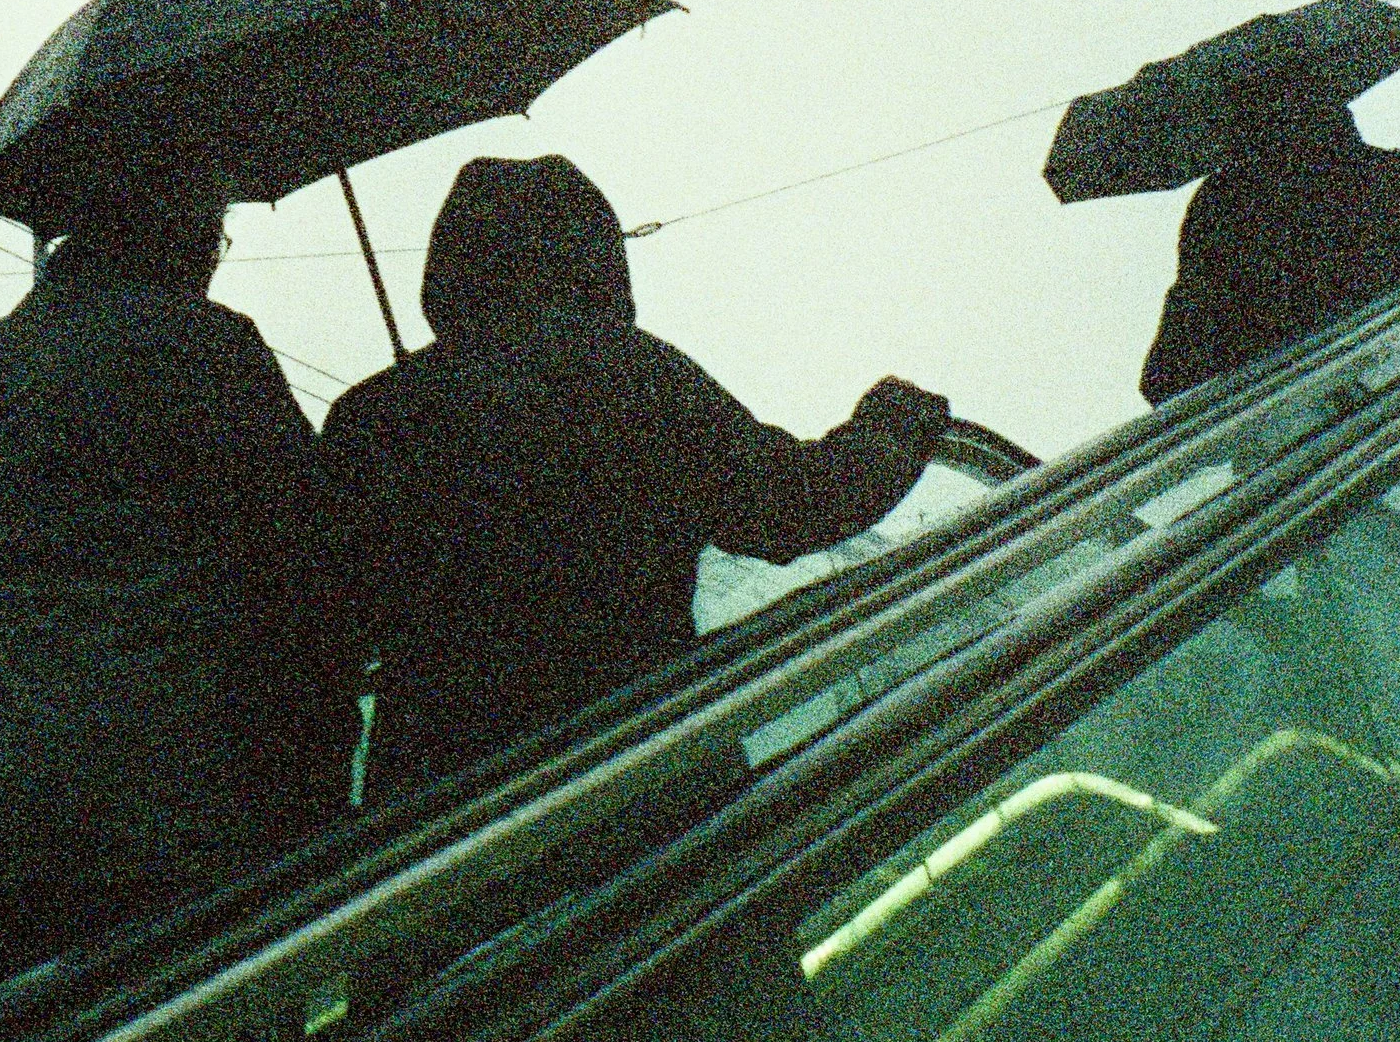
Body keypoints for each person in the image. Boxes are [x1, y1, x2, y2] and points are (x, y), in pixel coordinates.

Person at [320, 154, 951, 800]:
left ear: (451, 267)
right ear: (597, 260)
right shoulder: (640, 383)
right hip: (645, 781)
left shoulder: (371, 420)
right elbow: (792, 506)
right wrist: (891, 428)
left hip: (442, 821)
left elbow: (321, 635)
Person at [0, 160, 358, 985]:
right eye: (213, 231)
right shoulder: (206, 351)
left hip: (5, 800)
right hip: (180, 796)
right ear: (176, 232)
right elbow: (308, 552)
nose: (215, 255)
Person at [1140, 72, 1400, 405]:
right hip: (1390, 391)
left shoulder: (1222, 203)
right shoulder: (1376, 174)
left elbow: (1173, 359)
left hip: (1279, 425)